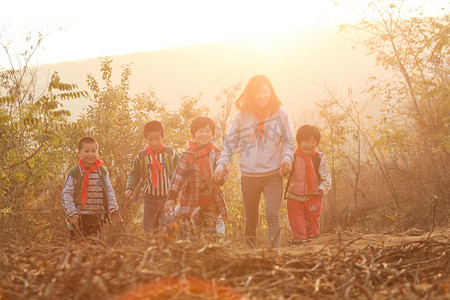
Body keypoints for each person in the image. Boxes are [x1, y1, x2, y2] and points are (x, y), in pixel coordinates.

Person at [213, 75, 294, 248]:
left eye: (265, 91)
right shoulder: (243, 115)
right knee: (251, 218)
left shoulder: (281, 114)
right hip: (249, 176)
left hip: (273, 174)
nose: (262, 96)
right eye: (257, 93)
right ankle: (251, 254)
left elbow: (288, 142)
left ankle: (274, 255)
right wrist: (221, 165)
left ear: (271, 91)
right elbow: (230, 145)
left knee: (272, 214)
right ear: (251, 95)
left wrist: (287, 159)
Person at [164, 117, 228, 242]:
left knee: (209, 235)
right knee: (194, 237)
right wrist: (172, 197)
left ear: (212, 134)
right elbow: (178, 176)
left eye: (207, 131)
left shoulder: (217, 153)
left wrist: (220, 179)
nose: (204, 134)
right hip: (192, 203)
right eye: (200, 131)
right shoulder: (187, 155)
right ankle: (196, 259)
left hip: (211, 202)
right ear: (194, 134)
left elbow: (224, 170)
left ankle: (209, 257)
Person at [62, 136, 122, 238]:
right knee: (77, 246)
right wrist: (72, 213)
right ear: (79, 153)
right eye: (87, 151)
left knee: (94, 245)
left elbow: (109, 191)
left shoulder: (102, 172)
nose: (90, 154)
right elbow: (67, 193)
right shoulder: (74, 173)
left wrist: (114, 209)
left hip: (97, 216)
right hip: (79, 216)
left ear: (97, 152)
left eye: (93, 151)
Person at [125, 121, 179, 234]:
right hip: (149, 198)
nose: (154, 143)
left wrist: (181, 189)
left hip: (168, 198)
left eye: (157, 139)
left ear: (163, 137)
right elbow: (134, 173)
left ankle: (167, 250)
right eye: (150, 140)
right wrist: (130, 188)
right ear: (145, 139)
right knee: (149, 228)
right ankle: (151, 250)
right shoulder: (142, 156)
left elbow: (180, 171)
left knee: (168, 228)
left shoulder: (170, 153)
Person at [284, 125, 331, 243]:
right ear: (299, 141)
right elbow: (283, 171)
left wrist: (322, 189)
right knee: (298, 229)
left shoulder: (319, 158)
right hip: (294, 199)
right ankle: (299, 249)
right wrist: (284, 169)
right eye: (306, 141)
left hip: (313, 198)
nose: (309, 145)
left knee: (313, 230)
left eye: (313, 142)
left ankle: (313, 252)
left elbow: (327, 178)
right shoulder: (292, 157)